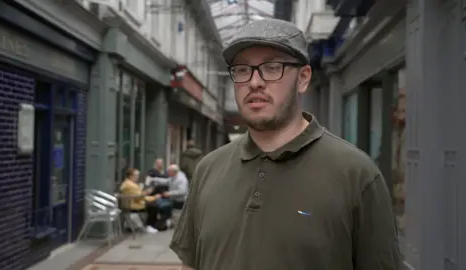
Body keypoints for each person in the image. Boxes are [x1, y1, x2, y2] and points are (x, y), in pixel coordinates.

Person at [170, 18, 401, 270]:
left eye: (271, 67)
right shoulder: (208, 170)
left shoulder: (357, 176)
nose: (254, 82)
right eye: (242, 69)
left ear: (303, 78)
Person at [119, 168, 161, 234]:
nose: (137, 177)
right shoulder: (131, 185)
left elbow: (139, 195)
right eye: (136, 175)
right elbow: (139, 197)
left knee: (153, 204)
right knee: (154, 206)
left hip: (131, 203)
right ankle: (149, 226)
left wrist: (150, 196)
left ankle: (151, 225)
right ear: (131, 176)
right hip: (135, 205)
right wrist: (152, 196)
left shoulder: (128, 183)